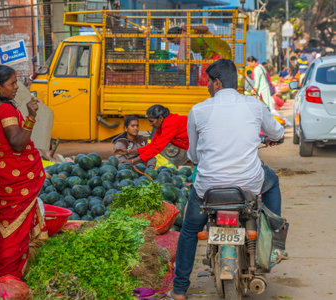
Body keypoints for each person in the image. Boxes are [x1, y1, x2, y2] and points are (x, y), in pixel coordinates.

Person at [169, 59, 284, 300]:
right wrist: (269, 138)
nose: (208, 86)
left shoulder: (198, 110)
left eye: (209, 82)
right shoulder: (254, 105)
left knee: (189, 230)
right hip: (248, 185)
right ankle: (275, 239)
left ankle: (179, 290)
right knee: (272, 181)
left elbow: (194, 155)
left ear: (217, 82)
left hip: (208, 189)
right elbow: (277, 132)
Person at [0, 65, 48, 279]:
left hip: (4, 183)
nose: (17, 87)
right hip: (14, 183)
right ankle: (8, 279)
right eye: (12, 83)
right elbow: (17, 144)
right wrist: (32, 116)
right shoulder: (5, 110)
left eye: (17, 82)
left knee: (5, 232)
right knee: (13, 236)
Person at [114, 105, 188, 166]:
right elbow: (151, 145)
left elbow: (156, 148)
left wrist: (133, 161)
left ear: (160, 118)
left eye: (152, 121)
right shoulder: (161, 125)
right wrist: (128, 151)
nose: (150, 124)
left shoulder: (170, 124)